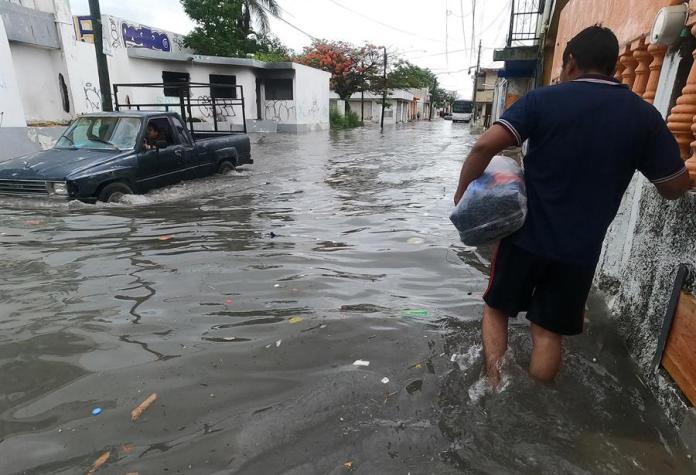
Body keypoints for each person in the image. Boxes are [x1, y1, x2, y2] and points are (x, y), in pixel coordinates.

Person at [453, 26, 690, 386]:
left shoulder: (544, 100)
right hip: (579, 252)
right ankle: (534, 404)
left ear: (571, 62)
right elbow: (673, 187)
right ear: (612, 66)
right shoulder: (643, 117)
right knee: (548, 333)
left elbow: (484, 146)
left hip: (523, 237)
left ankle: (495, 386)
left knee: (497, 309)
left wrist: (463, 195)